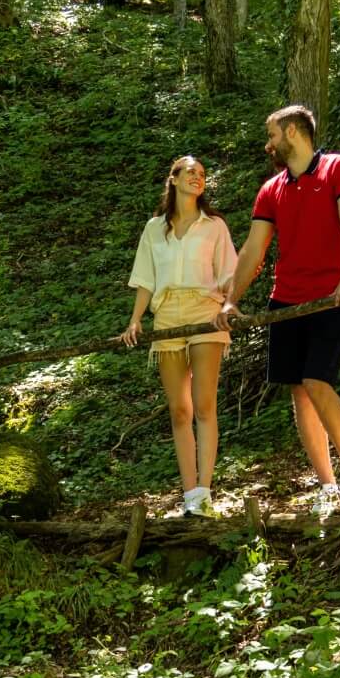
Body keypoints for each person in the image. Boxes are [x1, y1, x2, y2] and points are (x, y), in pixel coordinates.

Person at [227, 105, 340, 508]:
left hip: (332, 293)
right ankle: (327, 486)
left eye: (272, 135)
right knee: (299, 390)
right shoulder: (271, 189)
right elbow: (253, 249)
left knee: (317, 380)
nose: (268, 144)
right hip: (286, 300)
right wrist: (230, 301)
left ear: (292, 131)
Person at [119, 155, 239, 517]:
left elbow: (228, 273)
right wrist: (135, 320)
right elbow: (145, 278)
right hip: (167, 315)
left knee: (204, 404)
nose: (197, 177)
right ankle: (190, 495)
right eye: (190, 172)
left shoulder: (214, 226)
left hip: (205, 312)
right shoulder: (154, 228)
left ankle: (204, 491)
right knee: (179, 409)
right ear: (172, 179)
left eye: (202, 174)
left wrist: (229, 305)